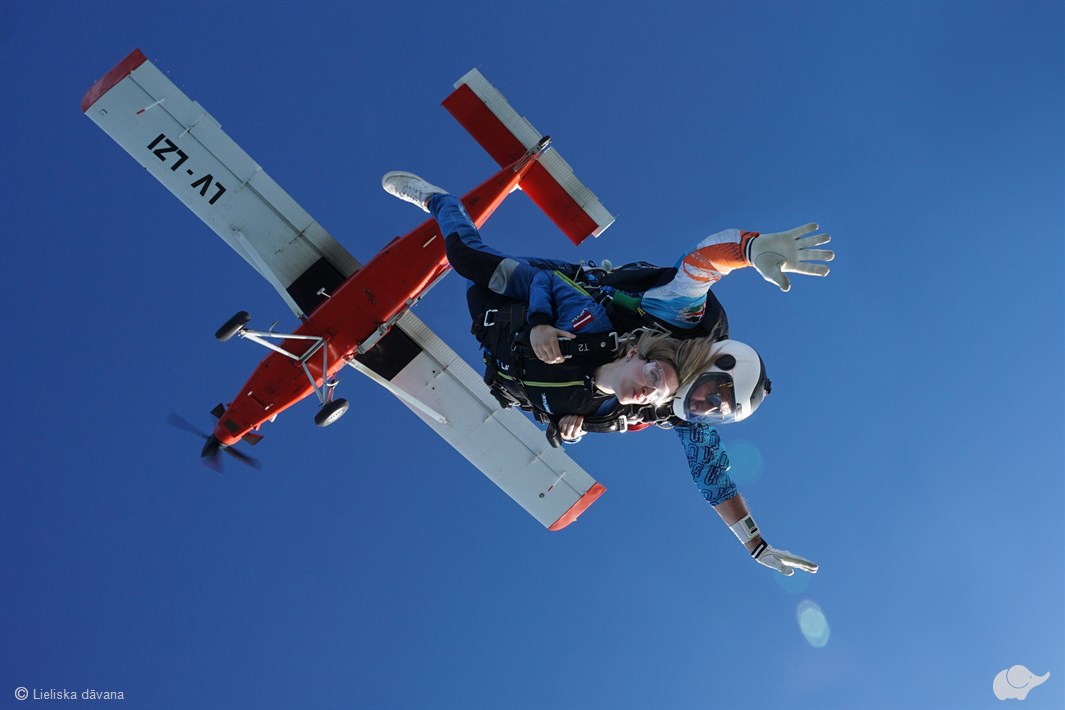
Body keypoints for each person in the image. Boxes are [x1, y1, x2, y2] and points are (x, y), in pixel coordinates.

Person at [383, 171, 833, 576]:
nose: (705, 405)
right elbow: (701, 265)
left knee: (572, 391)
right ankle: (439, 200)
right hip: (571, 296)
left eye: (716, 412)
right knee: (467, 258)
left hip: (523, 359)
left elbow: (712, 476)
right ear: (716, 363)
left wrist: (756, 545)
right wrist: (751, 249)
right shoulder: (679, 317)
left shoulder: (677, 412)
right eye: (716, 393)